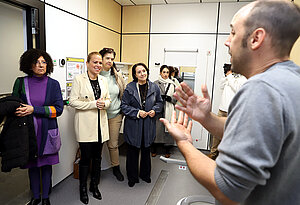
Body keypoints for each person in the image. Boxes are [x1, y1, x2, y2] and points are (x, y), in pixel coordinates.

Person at [160, 1, 300, 204]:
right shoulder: (291, 81)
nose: (227, 41)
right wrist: (206, 119)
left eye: (233, 33)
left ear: (256, 38)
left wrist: (184, 142)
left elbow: (225, 188)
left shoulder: (261, 89)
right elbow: (254, 134)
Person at [11, 49, 64, 205]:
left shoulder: (54, 84)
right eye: (36, 62)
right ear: (29, 65)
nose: (41, 65)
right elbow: (13, 105)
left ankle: (46, 197)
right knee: (32, 166)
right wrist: (17, 110)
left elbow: (58, 109)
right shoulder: (21, 82)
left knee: (46, 165)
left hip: (47, 131)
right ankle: (35, 196)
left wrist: (34, 109)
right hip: (28, 132)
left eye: (44, 62)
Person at [69, 52, 110, 204]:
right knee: (85, 158)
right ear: (87, 63)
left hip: (100, 125)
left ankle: (94, 185)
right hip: (85, 125)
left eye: (100, 62)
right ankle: (83, 189)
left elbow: (108, 100)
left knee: (97, 158)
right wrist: (93, 104)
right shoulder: (79, 79)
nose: (98, 65)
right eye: (95, 62)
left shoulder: (103, 80)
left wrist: (104, 104)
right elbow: (72, 101)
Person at [121, 63, 163, 187]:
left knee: (146, 151)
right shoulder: (130, 88)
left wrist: (155, 110)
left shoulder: (154, 87)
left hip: (148, 125)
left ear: (147, 72)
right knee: (132, 152)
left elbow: (160, 102)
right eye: (139, 72)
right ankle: (132, 177)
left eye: (144, 71)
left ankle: (145, 175)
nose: (142, 74)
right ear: (135, 74)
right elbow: (124, 106)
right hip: (134, 124)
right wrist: (138, 112)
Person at [207, 63, 246, 160]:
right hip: (222, 109)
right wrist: (227, 75)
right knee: (216, 133)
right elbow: (221, 85)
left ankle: (225, 156)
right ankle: (213, 153)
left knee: (229, 134)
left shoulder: (243, 79)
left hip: (232, 111)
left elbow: (237, 88)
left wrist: (229, 76)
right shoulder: (229, 77)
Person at [99, 47, 126, 181]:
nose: (110, 61)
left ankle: (116, 168)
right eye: (107, 58)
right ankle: (96, 171)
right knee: (97, 145)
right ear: (101, 59)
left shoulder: (117, 75)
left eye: (112, 59)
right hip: (98, 116)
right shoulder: (95, 75)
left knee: (113, 144)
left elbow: (124, 92)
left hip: (115, 114)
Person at [152, 65, 177, 158]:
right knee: (156, 128)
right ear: (160, 73)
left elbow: (176, 98)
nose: (166, 74)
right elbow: (151, 97)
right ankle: (154, 148)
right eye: (164, 72)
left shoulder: (173, 84)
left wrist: (170, 98)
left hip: (169, 108)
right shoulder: (155, 84)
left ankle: (167, 149)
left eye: (167, 72)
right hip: (158, 109)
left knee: (168, 129)